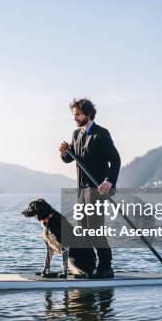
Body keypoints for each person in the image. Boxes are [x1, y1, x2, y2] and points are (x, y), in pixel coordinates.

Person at [59, 97, 121, 278]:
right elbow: (71, 159)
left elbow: (115, 160)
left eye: (78, 114)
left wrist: (109, 181)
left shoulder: (101, 134)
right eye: (74, 115)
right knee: (83, 228)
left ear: (88, 114)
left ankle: (106, 267)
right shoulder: (76, 134)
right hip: (81, 190)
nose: (75, 118)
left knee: (95, 229)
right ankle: (87, 265)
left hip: (97, 189)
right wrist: (64, 152)